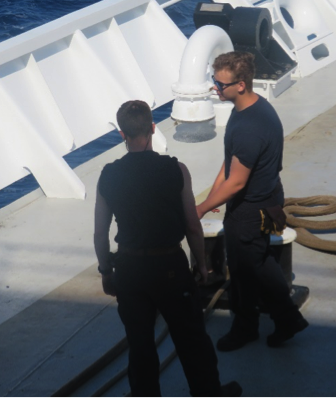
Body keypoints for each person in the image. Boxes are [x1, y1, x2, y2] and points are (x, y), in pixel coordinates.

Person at [94, 100, 242, 397]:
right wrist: (201, 265)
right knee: (192, 339)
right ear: (152, 128)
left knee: (140, 345)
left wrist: (107, 272)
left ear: (122, 134)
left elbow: (100, 233)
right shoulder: (176, 169)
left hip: (130, 269)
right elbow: (192, 226)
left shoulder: (108, 175)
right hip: (169, 268)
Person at [196, 52, 308, 352]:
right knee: (258, 262)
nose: (215, 88)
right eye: (214, 81)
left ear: (241, 85)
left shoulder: (249, 128)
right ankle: (287, 319)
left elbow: (236, 182)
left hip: (249, 211)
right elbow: (231, 162)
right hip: (268, 198)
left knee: (244, 271)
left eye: (221, 84)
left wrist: (201, 209)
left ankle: (246, 328)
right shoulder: (251, 108)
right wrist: (213, 196)